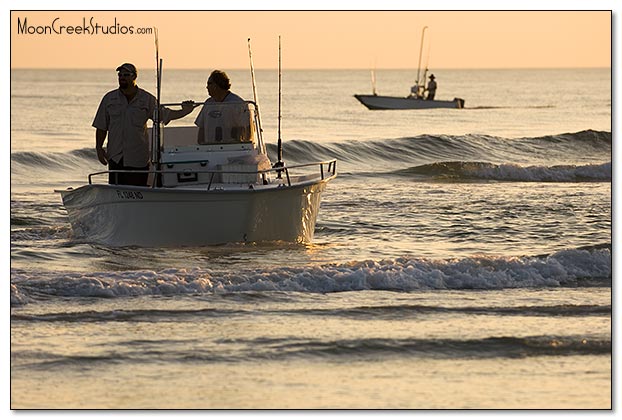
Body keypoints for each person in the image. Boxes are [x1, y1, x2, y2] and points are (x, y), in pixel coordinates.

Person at [93, 63, 195, 186]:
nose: (122, 78)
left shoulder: (147, 99)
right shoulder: (109, 99)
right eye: (120, 75)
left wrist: (185, 110)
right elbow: (101, 126)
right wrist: (99, 148)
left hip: (138, 159)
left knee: (137, 194)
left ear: (134, 77)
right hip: (116, 158)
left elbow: (164, 115)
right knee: (117, 194)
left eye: (126, 75)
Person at [194, 70, 244, 144]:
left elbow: (244, 129)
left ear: (217, 85)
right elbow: (202, 128)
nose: (207, 87)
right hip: (209, 149)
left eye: (209, 84)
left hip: (230, 148)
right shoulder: (208, 103)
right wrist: (201, 145)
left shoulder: (237, 103)